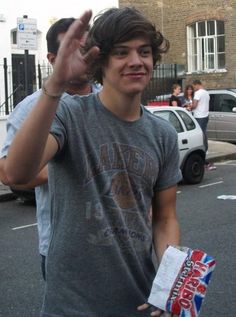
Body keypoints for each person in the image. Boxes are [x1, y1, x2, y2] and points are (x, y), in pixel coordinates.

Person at [5, 7, 182, 317]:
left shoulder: (164, 135)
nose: (136, 61)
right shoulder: (69, 114)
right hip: (71, 305)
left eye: (144, 52)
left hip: (139, 300)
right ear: (101, 62)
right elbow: (18, 174)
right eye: (121, 52)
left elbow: (165, 218)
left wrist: (168, 288)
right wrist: (56, 84)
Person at [0, 17, 101, 281]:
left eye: (88, 47)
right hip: (62, 245)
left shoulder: (109, 99)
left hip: (115, 244)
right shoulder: (31, 108)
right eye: (75, 49)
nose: (86, 56)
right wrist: (67, 164)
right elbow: (7, 172)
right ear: (53, 58)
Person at [191, 79, 216, 170]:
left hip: (199, 116)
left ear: (196, 85)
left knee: (200, 137)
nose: (193, 89)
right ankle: (205, 151)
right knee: (204, 134)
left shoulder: (198, 93)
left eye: (193, 87)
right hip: (205, 116)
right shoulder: (206, 93)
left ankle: (203, 156)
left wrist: (189, 106)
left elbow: (194, 105)